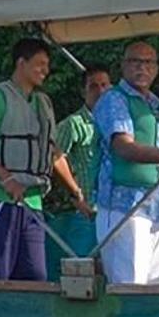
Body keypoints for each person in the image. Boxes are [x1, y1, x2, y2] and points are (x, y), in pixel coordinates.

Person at [0, 38, 87, 281]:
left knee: (36, 275)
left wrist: (76, 192)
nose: (46, 70)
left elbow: (52, 154)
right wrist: (6, 178)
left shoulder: (43, 103)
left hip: (33, 202)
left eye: (47, 65)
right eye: (40, 64)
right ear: (21, 63)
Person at [92, 40, 159, 284]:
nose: (142, 68)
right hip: (127, 208)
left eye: (148, 62)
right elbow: (122, 146)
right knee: (130, 285)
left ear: (157, 69)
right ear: (123, 66)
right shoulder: (113, 100)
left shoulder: (157, 105)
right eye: (135, 61)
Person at [52, 63, 110, 217]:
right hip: (86, 210)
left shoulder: (120, 124)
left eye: (104, 85)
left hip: (116, 208)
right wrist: (75, 194)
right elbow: (54, 157)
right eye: (93, 86)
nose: (100, 91)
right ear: (83, 92)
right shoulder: (73, 124)